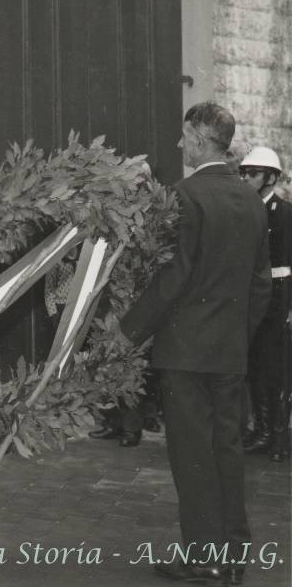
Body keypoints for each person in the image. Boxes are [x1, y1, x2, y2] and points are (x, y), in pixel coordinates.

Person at [120, 102, 271, 585]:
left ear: (203, 140)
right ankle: (233, 552)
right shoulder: (251, 199)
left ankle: (204, 555)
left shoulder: (184, 196)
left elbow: (173, 277)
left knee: (191, 454)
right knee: (226, 450)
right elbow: (261, 283)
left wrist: (127, 330)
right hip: (229, 351)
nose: (181, 144)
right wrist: (238, 337)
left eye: (186, 136)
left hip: (185, 351)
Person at [239, 146, 291, 462]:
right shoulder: (245, 209)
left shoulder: (284, 213)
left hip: (278, 299)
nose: (245, 178)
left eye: (253, 173)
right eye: (243, 173)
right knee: (255, 368)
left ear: (271, 177)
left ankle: (279, 437)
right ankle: (261, 430)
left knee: (277, 371)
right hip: (251, 299)